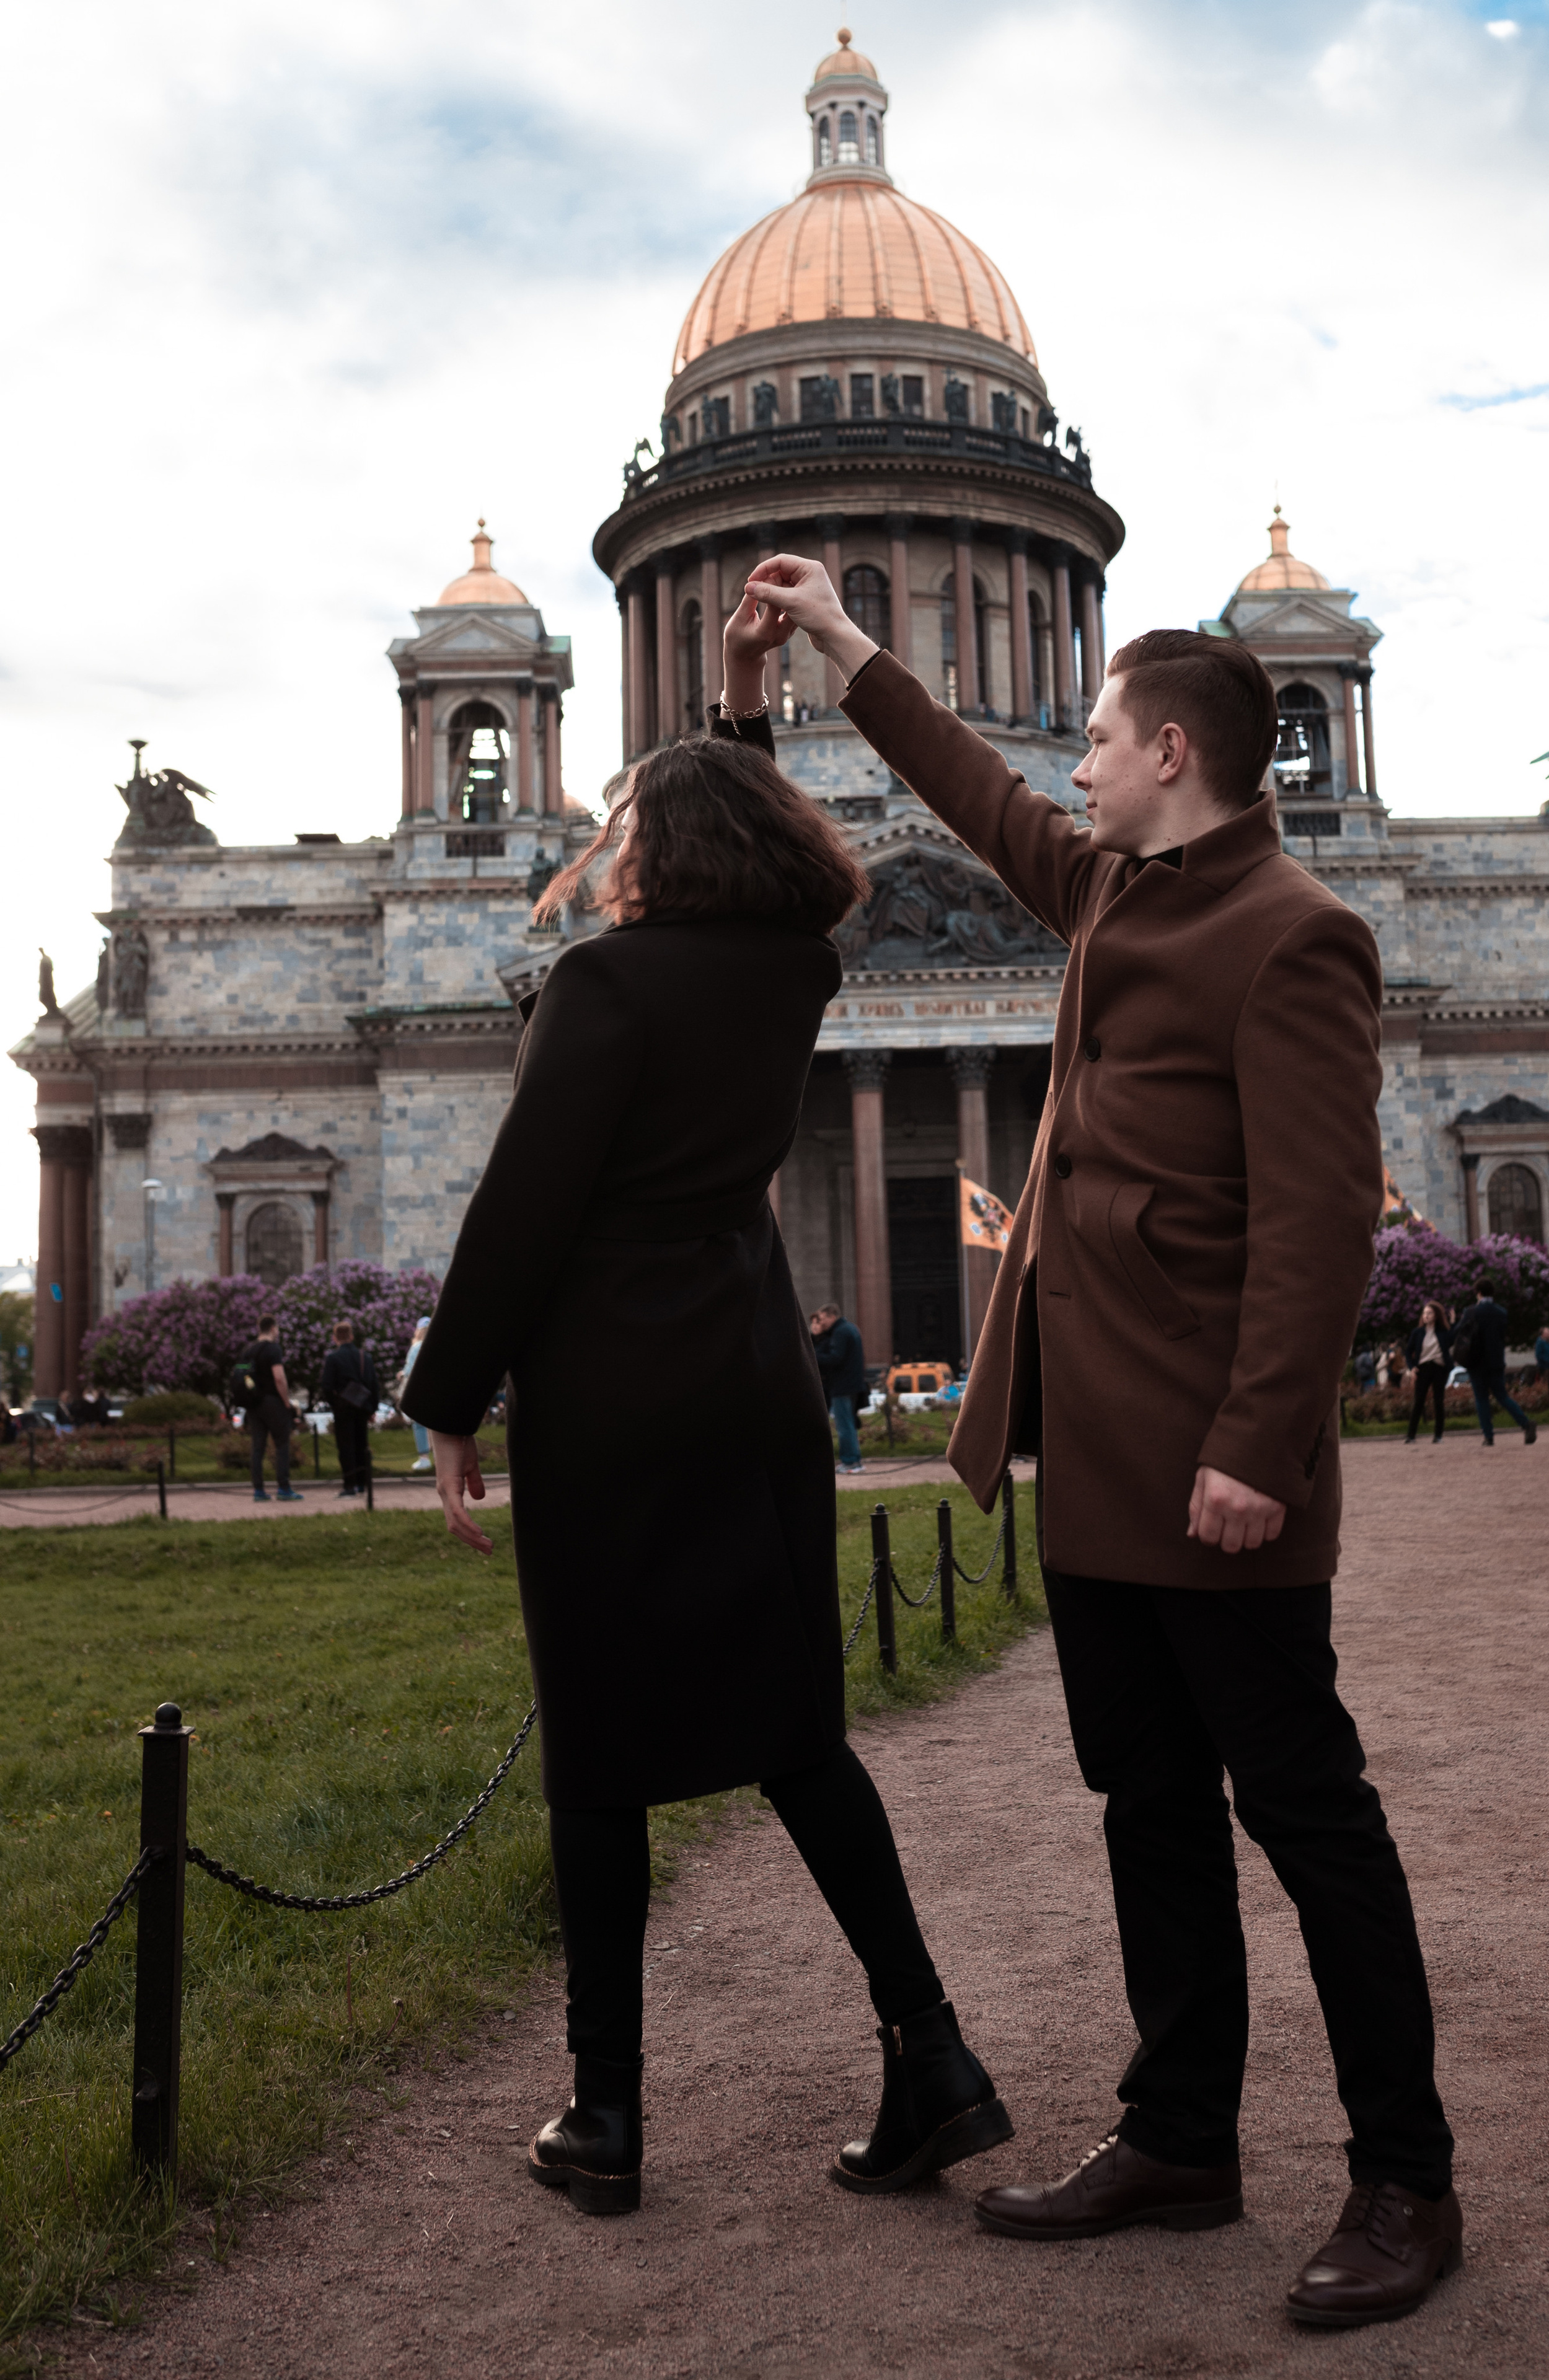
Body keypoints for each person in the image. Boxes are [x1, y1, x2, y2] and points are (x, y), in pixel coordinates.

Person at [745, 554, 1460, 2329]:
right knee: (1148, 1806)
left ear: (1168, 751)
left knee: (1309, 1816)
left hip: (1219, 1474)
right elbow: (975, 794)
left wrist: (1260, 1445)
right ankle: (1181, 2135)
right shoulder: (1113, 895)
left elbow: (1319, 1225)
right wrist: (846, 648)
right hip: (1105, 1463)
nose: (1066, 764)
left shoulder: (1297, 929)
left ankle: (1407, 2181)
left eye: (1092, 741)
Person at [404, 587, 1013, 2219]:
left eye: (627, 833)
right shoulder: (794, 969)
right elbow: (747, 826)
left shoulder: (602, 991)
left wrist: (448, 1400)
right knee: (799, 1738)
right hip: (748, 1386)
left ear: (651, 856)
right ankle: (934, 2052)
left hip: (617, 1399)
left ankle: (607, 2117)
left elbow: (519, 1215)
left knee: (601, 1754)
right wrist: (745, 697)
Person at [1454, 1280, 1536, 1447]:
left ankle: (1488, 1436)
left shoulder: (1471, 1311)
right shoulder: (1501, 1312)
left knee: (1481, 1399)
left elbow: (1459, 1332)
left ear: (1478, 1292)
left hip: (1476, 1362)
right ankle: (1526, 1424)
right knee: (1503, 1397)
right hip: (1496, 1361)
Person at [319, 1319, 377, 1497]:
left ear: (335, 1338)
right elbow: (374, 1384)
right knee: (361, 1445)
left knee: (346, 1447)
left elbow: (327, 1386)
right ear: (351, 1336)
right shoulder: (365, 1357)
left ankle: (349, 1485)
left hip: (343, 1409)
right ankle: (362, 1483)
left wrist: (335, 1403)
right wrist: (372, 1409)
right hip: (362, 1407)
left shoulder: (333, 1358)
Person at [246, 1316, 302, 1503]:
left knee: (257, 1447)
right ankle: (284, 1488)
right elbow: (279, 1378)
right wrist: (287, 1403)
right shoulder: (273, 1349)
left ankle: (259, 1490)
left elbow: (242, 1375)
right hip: (273, 1402)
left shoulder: (248, 1350)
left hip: (254, 1404)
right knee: (282, 1445)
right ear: (272, 1328)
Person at [812, 1302, 867, 1473]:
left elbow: (836, 1358)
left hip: (842, 1385)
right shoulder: (849, 1328)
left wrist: (813, 1356)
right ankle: (854, 1461)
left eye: (822, 1319)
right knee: (848, 1425)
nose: (822, 1323)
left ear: (831, 1316)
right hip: (851, 1384)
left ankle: (850, 1462)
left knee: (844, 1426)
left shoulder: (840, 1332)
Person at [1403, 1302, 1452, 1443]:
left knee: (1439, 1402)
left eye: (1429, 1313)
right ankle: (1411, 1436)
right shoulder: (1417, 1332)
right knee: (1418, 1402)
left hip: (1439, 1369)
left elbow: (1452, 1340)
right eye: (1424, 1313)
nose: (1426, 1316)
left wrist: (1453, 1323)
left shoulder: (1443, 1332)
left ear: (1436, 1315)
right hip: (1422, 1369)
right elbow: (1408, 1351)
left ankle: (1438, 1436)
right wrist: (1412, 1367)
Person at [396, 1315, 434, 1470]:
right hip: (433, 1389)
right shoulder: (435, 1344)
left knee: (419, 1425)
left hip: (418, 1391)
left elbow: (410, 1371)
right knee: (434, 1425)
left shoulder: (416, 1346)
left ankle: (424, 1458)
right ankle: (439, 1458)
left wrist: (401, 1375)